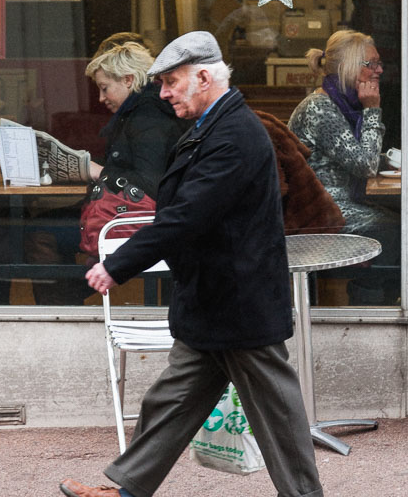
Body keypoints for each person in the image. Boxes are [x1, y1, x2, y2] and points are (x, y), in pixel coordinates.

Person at [59, 30, 323, 497]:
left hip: (238, 303)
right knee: (169, 402)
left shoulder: (234, 135)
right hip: (214, 300)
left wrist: (119, 264)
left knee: (277, 414)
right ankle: (125, 490)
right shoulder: (212, 127)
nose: (163, 93)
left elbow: (186, 216)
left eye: (171, 82)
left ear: (203, 78)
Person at [25, 41, 190, 305]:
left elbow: (150, 182)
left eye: (104, 88)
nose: (102, 99)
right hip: (123, 214)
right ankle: (65, 302)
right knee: (43, 227)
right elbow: (129, 164)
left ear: (128, 80)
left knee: (42, 233)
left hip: (136, 221)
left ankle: (60, 307)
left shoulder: (148, 119)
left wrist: (97, 171)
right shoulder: (140, 113)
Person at [288, 29, 399, 304]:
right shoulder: (320, 108)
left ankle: (378, 299)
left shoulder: (341, 105)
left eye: (379, 63)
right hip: (320, 213)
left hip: (340, 203)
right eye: (371, 64)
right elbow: (365, 165)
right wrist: (372, 110)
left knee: (404, 223)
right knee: (394, 230)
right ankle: (369, 305)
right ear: (348, 67)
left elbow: (357, 156)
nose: (379, 70)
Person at [341, 0, 402, 150]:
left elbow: (362, 50)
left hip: (376, 84)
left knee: (378, 137)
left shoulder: (365, 4)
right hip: (399, 83)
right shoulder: (395, 0)